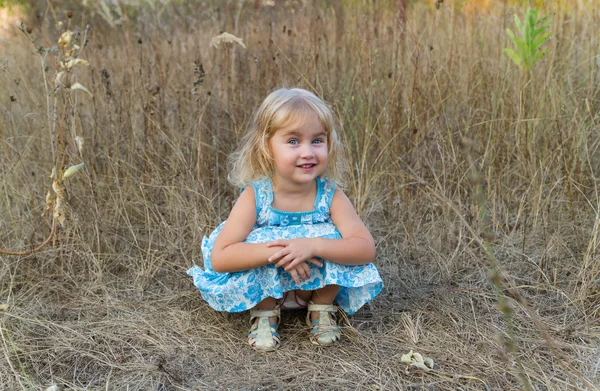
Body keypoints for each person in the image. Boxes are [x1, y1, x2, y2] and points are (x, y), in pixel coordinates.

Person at [187, 87, 383, 351]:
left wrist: (311, 246)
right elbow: (220, 258)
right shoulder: (255, 196)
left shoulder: (330, 195)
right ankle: (265, 314)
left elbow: (365, 248)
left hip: (313, 287)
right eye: (293, 141)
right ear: (267, 147)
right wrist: (283, 251)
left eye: (317, 140)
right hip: (268, 288)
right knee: (256, 241)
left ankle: (321, 308)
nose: (307, 152)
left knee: (337, 240)